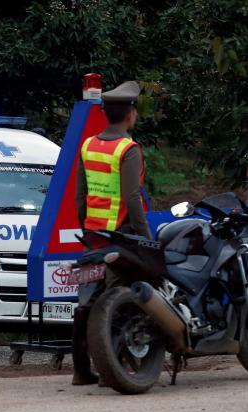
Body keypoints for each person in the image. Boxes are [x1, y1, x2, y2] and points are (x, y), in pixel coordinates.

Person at [72, 80, 150, 386]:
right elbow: (133, 198)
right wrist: (145, 237)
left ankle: (81, 370)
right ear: (129, 114)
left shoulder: (88, 146)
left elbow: (80, 197)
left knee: (87, 301)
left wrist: (86, 229)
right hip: (121, 236)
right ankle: (114, 369)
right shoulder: (128, 149)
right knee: (120, 300)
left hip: (93, 236)